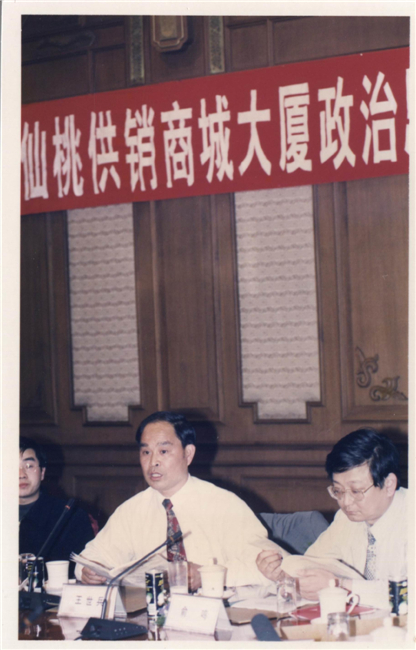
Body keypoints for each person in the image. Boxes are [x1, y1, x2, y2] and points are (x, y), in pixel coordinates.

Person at [76, 411, 284, 590]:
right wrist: (87, 571)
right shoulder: (131, 510)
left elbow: (269, 568)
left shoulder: (225, 505)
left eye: (163, 451)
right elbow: (90, 558)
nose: (153, 462)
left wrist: (208, 576)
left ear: (188, 454)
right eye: (146, 452)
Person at [256, 428, 407, 607]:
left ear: (389, 485)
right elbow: (310, 564)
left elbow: (407, 595)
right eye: (338, 491)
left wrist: (340, 586)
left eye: (356, 491)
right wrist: (283, 577)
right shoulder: (346, 519)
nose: (346, 502)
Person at [19, 437, 95, 577]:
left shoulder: (70, 517)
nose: (21, 475)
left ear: (42, 472)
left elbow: (82, 573)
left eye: (29, 466)